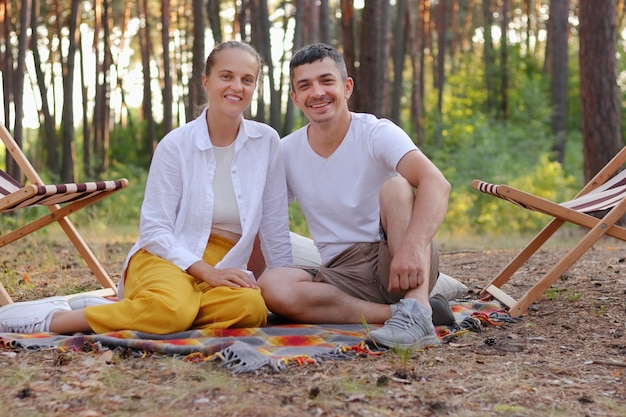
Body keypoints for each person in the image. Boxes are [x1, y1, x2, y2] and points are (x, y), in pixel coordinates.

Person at [0, 41, 292, 335]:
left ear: (255, 86)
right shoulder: (176, 145)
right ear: (206, 81)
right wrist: (207, 272)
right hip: (165, 255)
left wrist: (284, 282)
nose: (237, 87)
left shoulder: (266, 142)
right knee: (172, 310)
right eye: (226, 76)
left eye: (247, 79)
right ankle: (53, 319)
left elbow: (274, 224)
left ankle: (129, 309)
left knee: (249, 308)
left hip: (225, 259)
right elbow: (155, 231)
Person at [257, 43, 450, 350]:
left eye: (326, 81)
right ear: (295, 98)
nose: (317, 92)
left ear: (346, 87)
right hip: (341, 273)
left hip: (396, 254)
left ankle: (416, 306)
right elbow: (262, 215)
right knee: (272, 285)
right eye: (305, 86)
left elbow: (436, 183)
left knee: (397, 185)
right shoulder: (286, 151)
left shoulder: (377, 133)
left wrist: (412, 248)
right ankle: (404, 314)